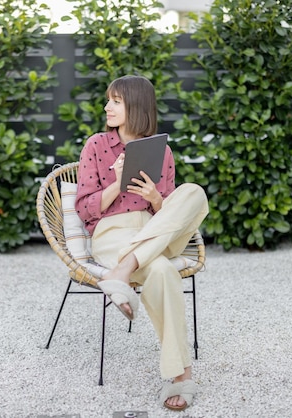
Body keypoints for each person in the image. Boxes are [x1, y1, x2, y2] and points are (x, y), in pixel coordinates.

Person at [74, 75, 209, 411]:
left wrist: (155, 198)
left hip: (152, 228)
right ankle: (182, 376)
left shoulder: (161, 152)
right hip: (112, 232)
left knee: (194, 193)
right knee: (162, 270)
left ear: (136, 107)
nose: (107, 107)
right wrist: (118, 183)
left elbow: (170, 214)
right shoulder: (96, 145)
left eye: (115, 101)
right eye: (109, 100)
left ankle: (122, 271)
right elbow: (84, 207)